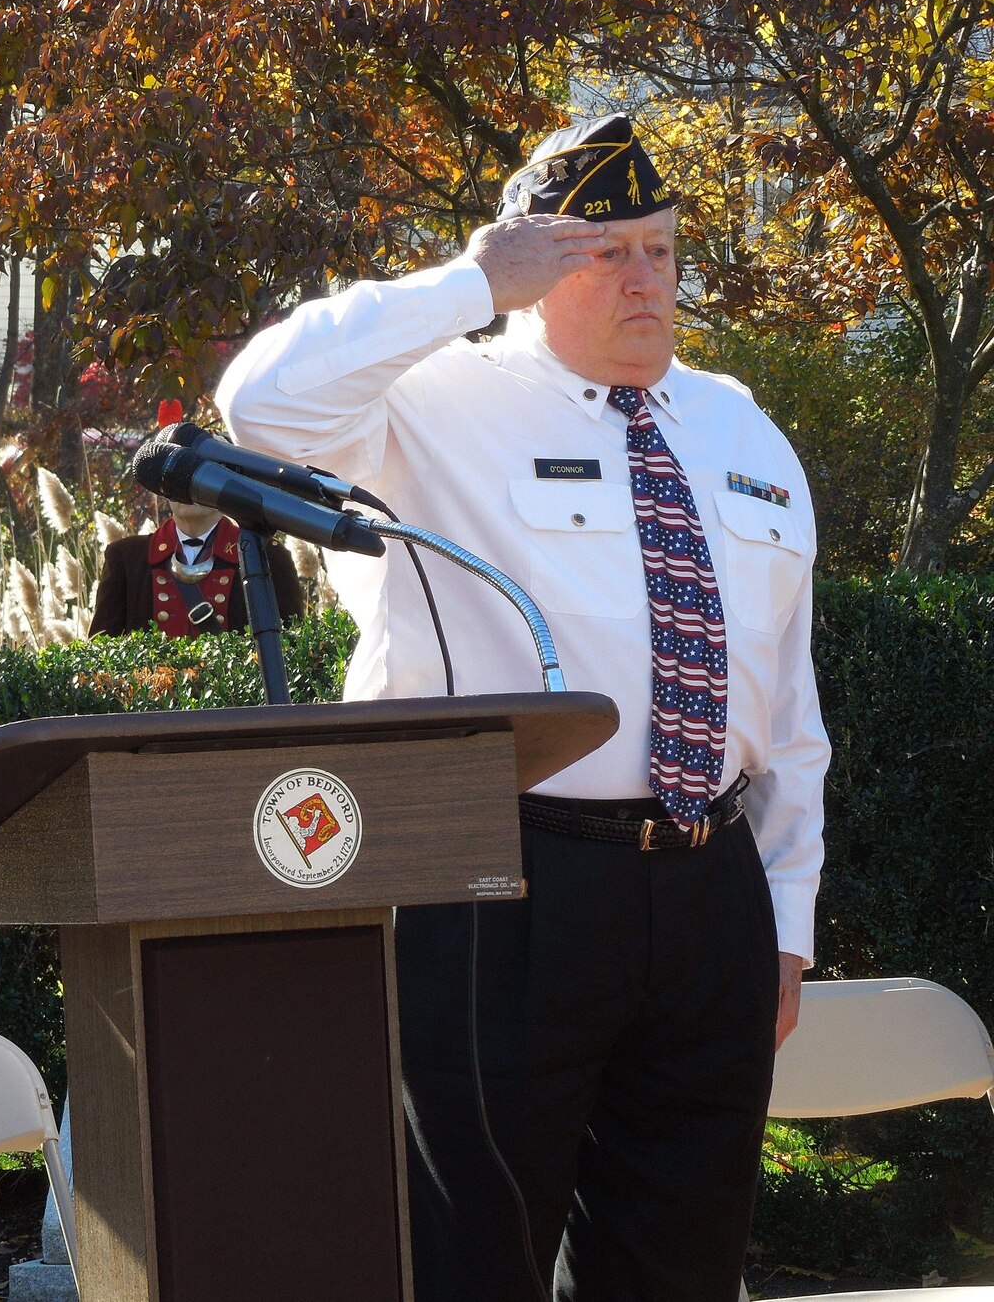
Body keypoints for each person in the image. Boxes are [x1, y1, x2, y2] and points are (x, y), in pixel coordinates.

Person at [215, 114, 828, 1301]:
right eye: (605, 253)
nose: (644, 278)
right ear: (533, 267)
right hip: (500, 877)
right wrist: (464, 283)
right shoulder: (433, 400)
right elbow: (259, 405)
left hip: (709, 893)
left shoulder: (735, 424)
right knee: (469, 1258)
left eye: (658, 248)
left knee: (680, 1266)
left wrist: (787, 924)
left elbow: (785, 700)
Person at [89, 488, 306, 638]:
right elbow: (102, 650)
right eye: (177, 480)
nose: (187, 490)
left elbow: (291, 647)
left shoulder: (265, 556)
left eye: (196, 479)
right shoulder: (126, 558)